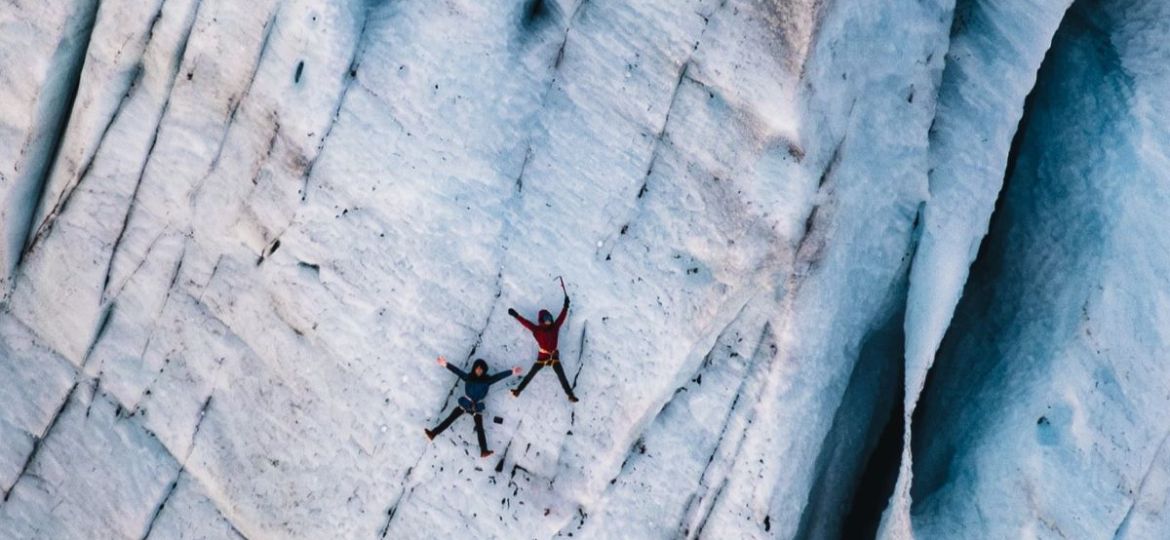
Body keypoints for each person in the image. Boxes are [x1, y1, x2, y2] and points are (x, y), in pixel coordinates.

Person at [424, 356, 520, 458]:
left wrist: (511, 372)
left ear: (484, 370)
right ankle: (433, 433)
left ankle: (484, 450)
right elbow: (457, 371)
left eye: (481, 368)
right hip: (465, 403)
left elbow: (498, 377)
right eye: (477, 368)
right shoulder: (468, 377)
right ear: (474, 368)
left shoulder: (487, 381)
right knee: (450, 419)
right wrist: (445, 364)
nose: (479, 370)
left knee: (480, 428)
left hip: (476, 407)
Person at [507, 293, 578, 402]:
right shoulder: (536, 330)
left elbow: (561, 317)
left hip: (554, 357)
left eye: (549, 318)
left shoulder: (555, 327)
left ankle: (570, 395)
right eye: (546, 318)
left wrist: (566, 306)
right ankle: (518, 390)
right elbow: (525, 323)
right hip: (542, 358)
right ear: (542, 320)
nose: (548, 320)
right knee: (531, 373)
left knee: (561, 374)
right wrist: (516, 315)